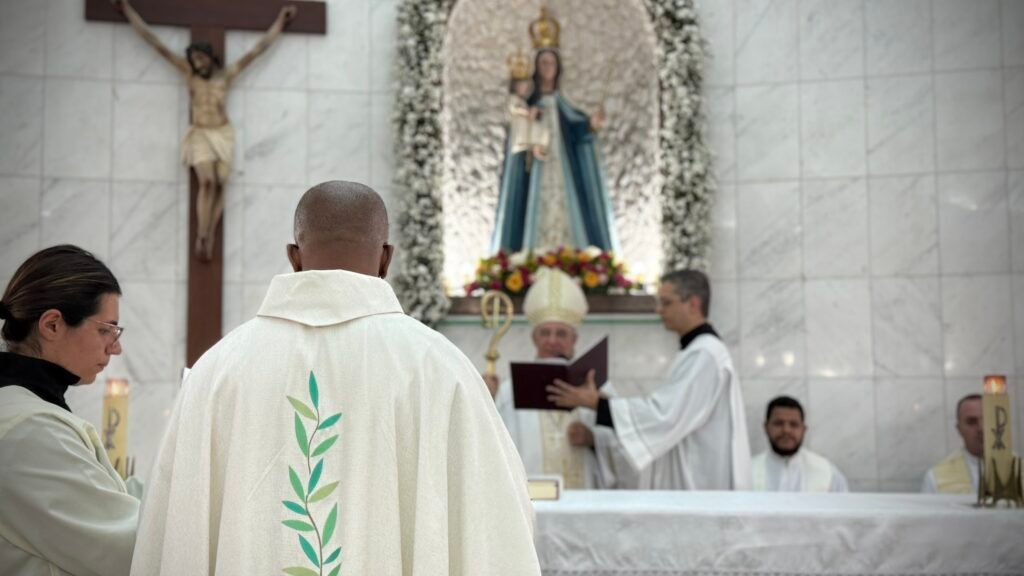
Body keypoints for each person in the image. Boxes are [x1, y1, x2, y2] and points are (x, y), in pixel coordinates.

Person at [131, 181, 541, 576]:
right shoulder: (441, 368)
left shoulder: (217, 370)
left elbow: (174, 533)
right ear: (386, 259)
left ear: (294, 257)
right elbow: (497, 528)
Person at [114, 0, 297, 260]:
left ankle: (210, 234)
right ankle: (201, 234)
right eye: (194, 59)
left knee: (221, 183)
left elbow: (258, 50)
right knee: (207, 181)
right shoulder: (188, 74)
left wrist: (280, 21)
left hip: (222, 133)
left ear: (210, 57)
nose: (197, 62)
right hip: (200, 133)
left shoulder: (226, 75)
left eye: (201, 58)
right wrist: (127, 10)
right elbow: (154, 42)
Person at [0, 245, 139, 575]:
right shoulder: (28, 430)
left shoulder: (27, 411)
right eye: (106, 329)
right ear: (52, 325)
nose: (116, 347)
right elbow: (126, 550)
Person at [548, 269, 752, 490]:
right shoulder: (698, 351)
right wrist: (601, 402)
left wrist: (597, 404)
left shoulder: (705, 354)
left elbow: (664, 416)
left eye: (666, 302)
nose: (658, 310)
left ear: (693, 304)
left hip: (700, 480)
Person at [483, 267, 631, 489]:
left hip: (586, 497)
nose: (552, 341)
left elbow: (627, 441)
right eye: (545, 333)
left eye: (561, 333)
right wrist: (487, 399)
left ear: (574, 339)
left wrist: (593, 439)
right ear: (534, 338)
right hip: (530, 496)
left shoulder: (596, 385)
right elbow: (492, 443)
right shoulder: (509, 391)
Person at [490, 8, 617, 253]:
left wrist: (590, 124)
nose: (548, 68)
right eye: (543, 63)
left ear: (559, 67)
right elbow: (518, 136)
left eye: (552, 63)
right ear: (536, 68)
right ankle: (529, 251)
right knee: (534, 206)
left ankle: (571, 251)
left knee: (567, 204)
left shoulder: (563, 107)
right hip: (535, 169)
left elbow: (576, 132)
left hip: (562, 168)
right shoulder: (527, 106)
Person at [750, 396, 849, 492]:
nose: (786, 430)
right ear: (766, 428)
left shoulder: (829, 474)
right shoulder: (749, 472)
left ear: (803, 430)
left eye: (794, 424)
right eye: (779, 423)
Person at [922, 394, 983, 494]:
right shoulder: (935, 478)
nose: (981, 428)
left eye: (987, 420)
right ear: (959, 429)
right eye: (971, 422)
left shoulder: (1011, 469)